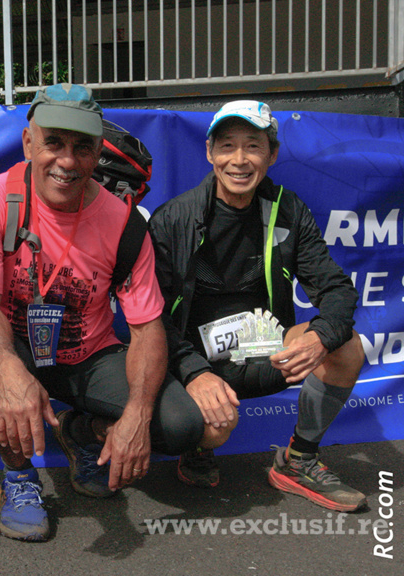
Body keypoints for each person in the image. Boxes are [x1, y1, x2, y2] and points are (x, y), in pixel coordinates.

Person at [0, 83, 230, 542]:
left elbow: (146, 329)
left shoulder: (124, 223)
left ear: (96, 152)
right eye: (54, 143)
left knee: (182, 425)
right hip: (18, 348)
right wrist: (10, 371)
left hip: (88, 356)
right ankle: (19, 478)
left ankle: (81, 433)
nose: (67, 161)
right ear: (29, 142)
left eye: (82, 147)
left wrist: (137, 417)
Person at [149, 100, 367, 512]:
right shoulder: (173, 219)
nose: (240, 159)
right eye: (228, 146)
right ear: (210, 151)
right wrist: (193, 372)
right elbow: (150, 316)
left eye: (253, 145)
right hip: (197, 366)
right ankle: (197, 446)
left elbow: (336, 288)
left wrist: (322, 336)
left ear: (272, 154)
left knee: (346, 344)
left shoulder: (288, 209)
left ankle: (298, 460)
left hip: (266, 354)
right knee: (214, 429)